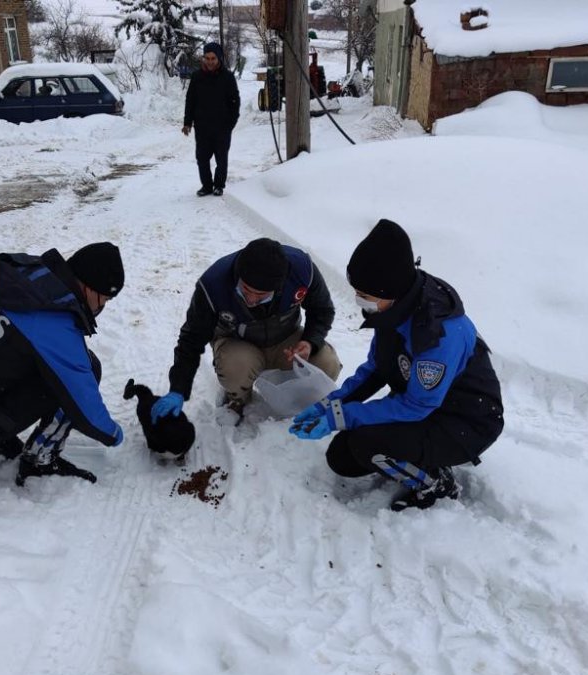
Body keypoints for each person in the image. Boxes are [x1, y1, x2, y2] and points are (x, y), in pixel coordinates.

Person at [290, 219, 503, 511]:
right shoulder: (395, 310)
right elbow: (376, 368)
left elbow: (417, 406)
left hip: (464, 422)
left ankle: (434, 484)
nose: (359, 301)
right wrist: (330, 405)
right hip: (428, 407)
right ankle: (415, 455)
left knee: (365, 445)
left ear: (391, 291)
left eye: (365, 296)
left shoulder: (437, 335)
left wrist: (342, 418)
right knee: (342, 456)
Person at [0, 242, 125, 486]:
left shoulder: (10, 270)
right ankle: (39, 460)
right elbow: (84, 405)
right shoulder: (54, 321)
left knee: (25, 354)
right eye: (104, 299)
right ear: (88, 287)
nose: (102, 307)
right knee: (85, 368)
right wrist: (115, 435)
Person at [152, 238, 342, 425]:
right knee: (236, 367)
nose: (251, 299)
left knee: (327, 363)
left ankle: (298, 401)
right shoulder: (213, 284)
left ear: (279, 286)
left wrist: (309, 341)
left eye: (261, 295)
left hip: (286, 341)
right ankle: (238, 399)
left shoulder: (302, 271)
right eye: (246, 289)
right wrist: (178, 389)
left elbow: (322, 310)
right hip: (239, 343)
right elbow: (191, 338)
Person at [182, 41, 240, 197]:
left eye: (213, 58)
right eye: (206, 58)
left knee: (221, 159)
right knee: (202, 158)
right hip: (202, 127)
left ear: (219, 59)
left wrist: (230, 124)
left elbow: (235, 102)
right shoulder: (197, 77)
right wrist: (187, 122)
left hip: (222, 127)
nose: (209, 62)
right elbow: (190, 100)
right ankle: (206, 186)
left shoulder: (227, 78)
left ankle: (219, 185)